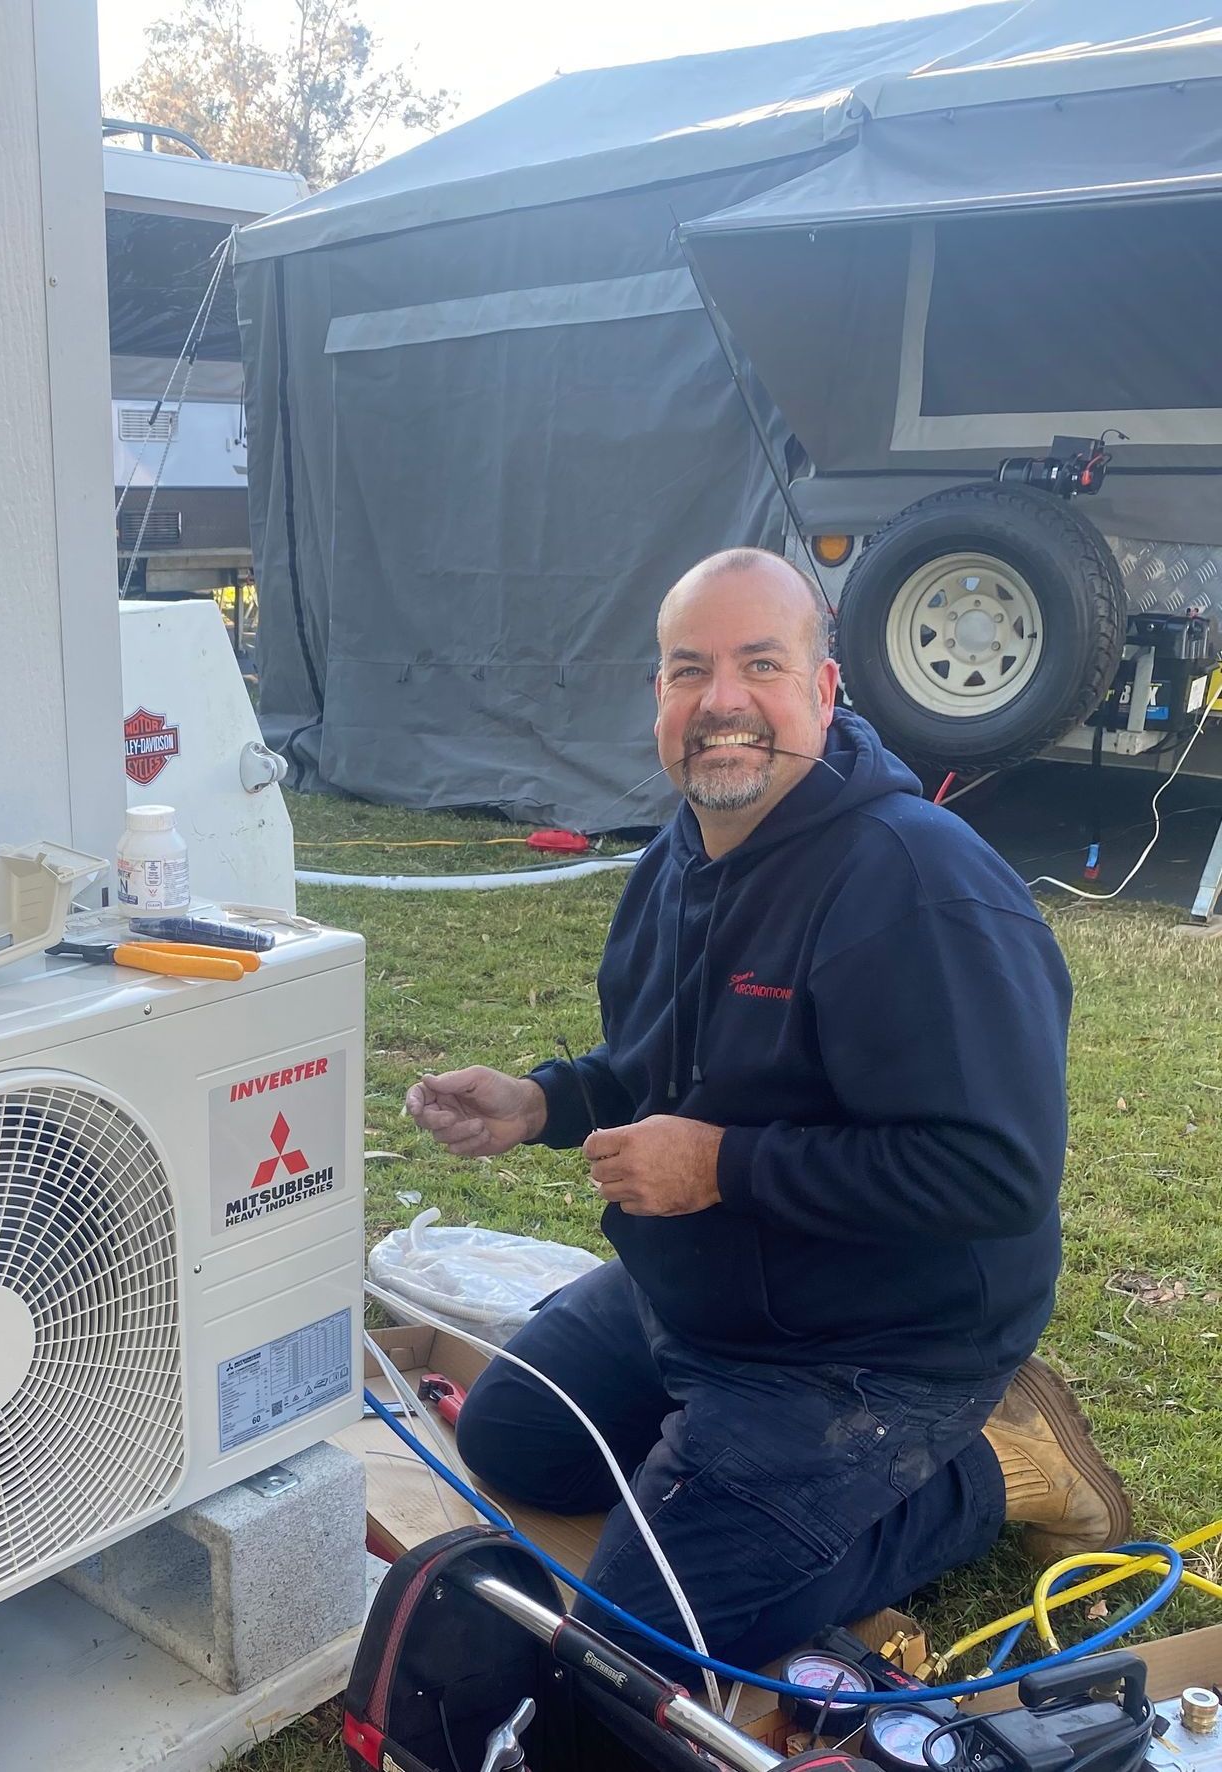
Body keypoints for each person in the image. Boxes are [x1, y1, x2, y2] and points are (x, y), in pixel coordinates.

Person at [405, 547, 1128, 1678]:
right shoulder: (679, 856)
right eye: (689, 669)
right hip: (696, 1294)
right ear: (658, 698)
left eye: (761, 664)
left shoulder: (920, 885)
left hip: (870, 1346)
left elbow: (996, 1175)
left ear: (826, 688)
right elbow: (660, 1071)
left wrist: (723, 1169)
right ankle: (733, 1481)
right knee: (517, 1438)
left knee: (647, 1637)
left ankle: (998, 1463)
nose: (722, 700)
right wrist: (542, 1100)